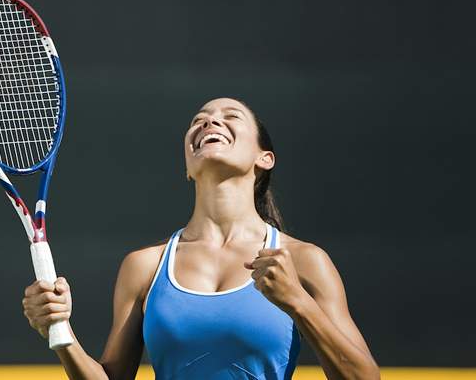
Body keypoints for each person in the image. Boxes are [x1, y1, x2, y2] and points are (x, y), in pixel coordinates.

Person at [22, 97, 380, 379]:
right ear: (187, 167)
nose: (209, 121)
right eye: (199, 119)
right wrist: (60, 330)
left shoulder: (304, 260)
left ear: (265, 158)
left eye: (231, 116)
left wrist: (299, 303)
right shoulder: (144, 265)